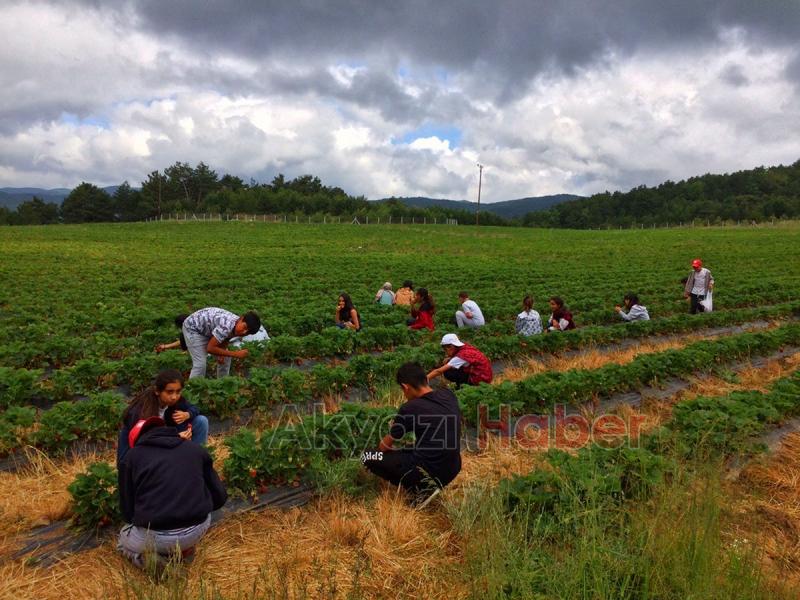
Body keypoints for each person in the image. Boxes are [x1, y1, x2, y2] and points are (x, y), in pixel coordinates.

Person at [117, 416, 227, 568]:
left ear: (137, 441)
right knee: (192, 525)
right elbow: (220, 497)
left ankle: (146, 559)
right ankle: (183, 551)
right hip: (197, 529)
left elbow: (127, 512)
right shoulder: (195, 449)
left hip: (157, 536)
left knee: (123, 539)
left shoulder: (131, 458)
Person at [361, 362, 461, 503]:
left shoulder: (410, 408)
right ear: (425, 379)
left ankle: (421, 491)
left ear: (405, 387)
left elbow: (384, 446)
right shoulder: (448, 395)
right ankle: (429, 485)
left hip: (427, 474)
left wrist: (386, 439)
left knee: (367, 455)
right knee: (409, 448)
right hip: (452, 468)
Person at [117, 369, 209, 465]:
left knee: (201, 421)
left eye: (178, 392)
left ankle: (196, 461)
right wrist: (176, 437)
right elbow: (147, 439)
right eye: (169, 392)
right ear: (157, 391)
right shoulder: (143, 409)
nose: (174, 397)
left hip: (165, 442)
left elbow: (195, 408)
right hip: (136, 455)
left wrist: (187, 414)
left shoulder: (175, 401)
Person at [181, 308, 261, 379]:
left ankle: (223, 383)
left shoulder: (236, 324)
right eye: (245, 327)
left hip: (206, 329)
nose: (243, 332)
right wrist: (235, 354)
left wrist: (222, 351)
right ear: (241, 318)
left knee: (225, 357)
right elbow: (210, 348)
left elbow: (227, 337)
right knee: (200, 364)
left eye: (247, 333)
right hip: (193, 328)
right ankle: (193, 388)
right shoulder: (226, 326)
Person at [157, 314, 270, 354]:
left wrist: (233, 354)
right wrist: (166, 346)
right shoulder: (206, 321)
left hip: (252, 342)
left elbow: (210, 349)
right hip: (263, 336)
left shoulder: (219, 328)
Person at [427, 333, 493, 387]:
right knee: (452, 367)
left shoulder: (460, 357)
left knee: (448, 372)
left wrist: (425, 379)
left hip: (480, 380)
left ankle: (464, 386)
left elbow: (439, 371)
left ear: (451, 347)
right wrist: (450, 358)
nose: (445, 351)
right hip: (486, 375)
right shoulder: (465, 347)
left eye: (445, 349)